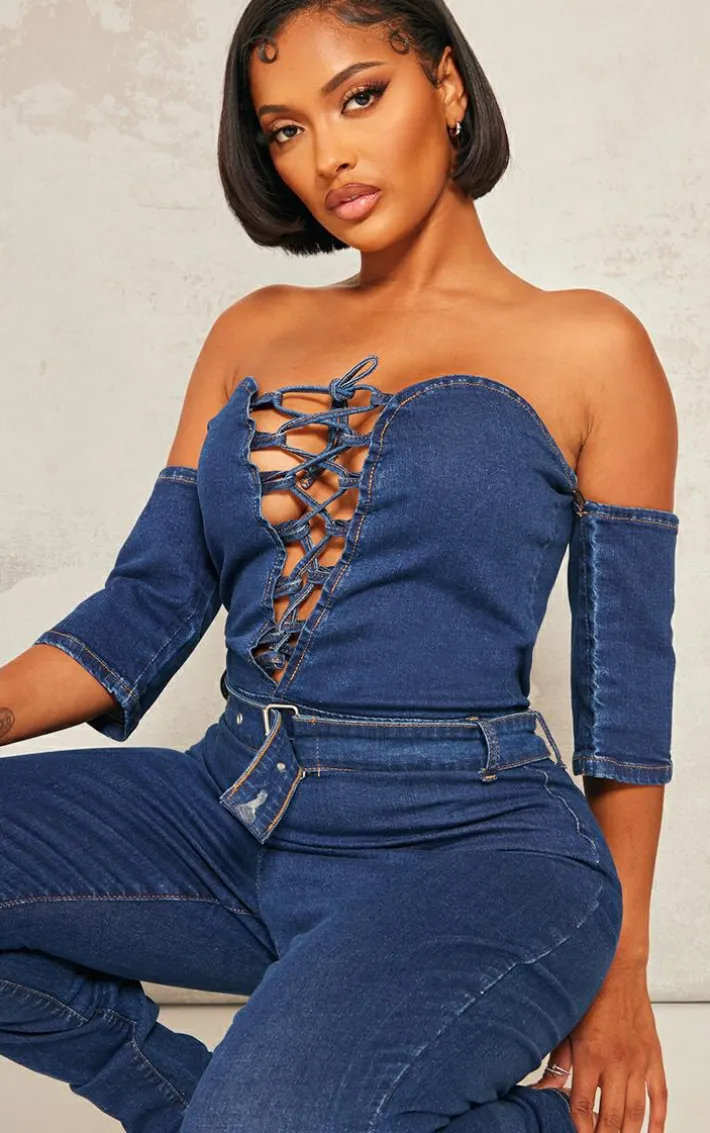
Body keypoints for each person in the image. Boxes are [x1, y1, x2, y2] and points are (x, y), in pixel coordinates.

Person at [0, 2, 679, 1131]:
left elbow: (626, 699)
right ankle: (187, 1107)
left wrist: (621, 973)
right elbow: (144, 605)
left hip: (473, 843)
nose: (328, 157)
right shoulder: (252, 331)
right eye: (285, 129)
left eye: (360, 96)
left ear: (446, 86)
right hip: (231, 807)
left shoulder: (591, 345)